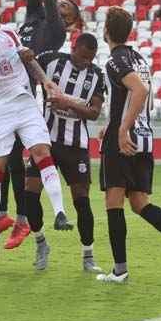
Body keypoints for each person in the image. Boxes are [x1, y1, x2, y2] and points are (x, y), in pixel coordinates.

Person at [0, 0, 79, 252]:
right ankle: (5, 217)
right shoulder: (33, 18)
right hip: (6, 91)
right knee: (5, 159)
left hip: (29, 95)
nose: (60, 3)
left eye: (67, 7)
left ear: (70, 19)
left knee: (22, 162)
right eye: (62, 3)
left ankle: (23, 220)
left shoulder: (55, 28)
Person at [0, 0, 70, 264]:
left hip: (24, 102)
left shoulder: (8, 33)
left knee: (42, 153)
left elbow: (27, 59)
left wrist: (44, 80)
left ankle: (60, 212)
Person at [96, 7, 161, 283]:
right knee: (139, 202)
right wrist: (118, 121)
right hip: (145, 138)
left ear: (106, 30)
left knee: (113, 202)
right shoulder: (138, 58)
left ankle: (119, 270)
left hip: (124, 141)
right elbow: (143, 97)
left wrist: (121, 128)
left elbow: (139, 91)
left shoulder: (115, 60)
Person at [23, 33, 106, 272]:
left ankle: (88, 256)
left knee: (82, 201)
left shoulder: (96, 75)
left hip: (76, 146)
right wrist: (27, 54)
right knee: (30, 194)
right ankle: (40, 243)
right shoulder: (51, 60)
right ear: (74, 47)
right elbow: (29, 64)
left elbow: (93, 113)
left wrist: (67, 103)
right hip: (45, 141)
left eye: (90, 59)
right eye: (82, 57)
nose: (86, 63)